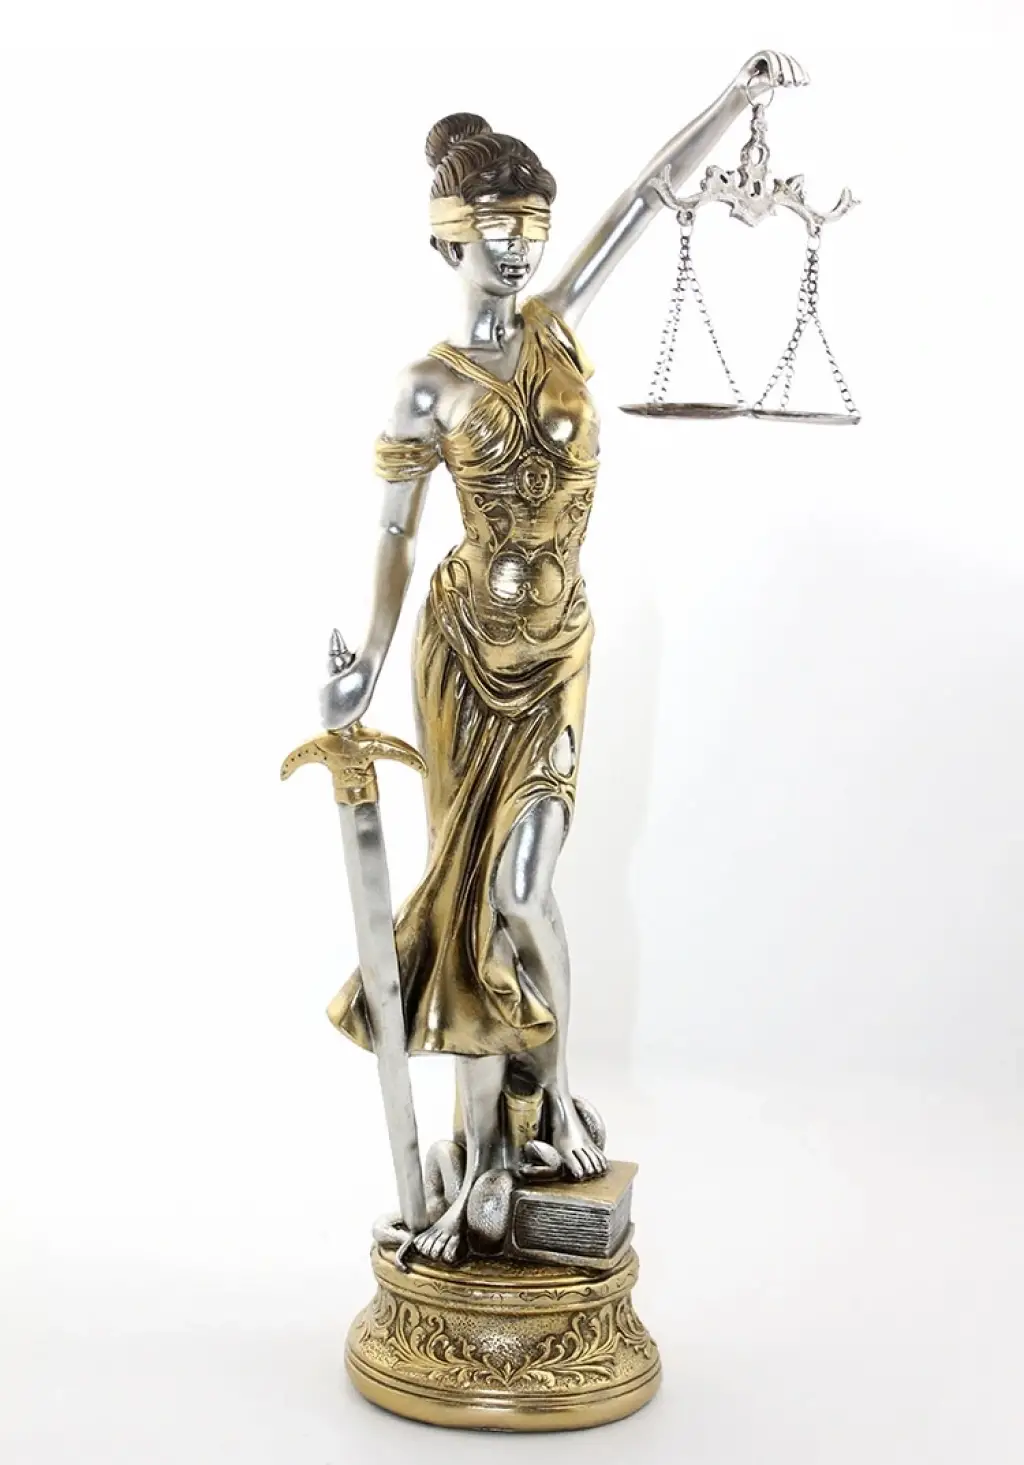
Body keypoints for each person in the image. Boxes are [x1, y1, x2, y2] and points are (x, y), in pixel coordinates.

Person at [321, 53, 807, 1263]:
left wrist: (734, 102)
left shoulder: (555, 329)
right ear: (446, 240)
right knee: (473, 895)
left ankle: (553, 1091)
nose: (519, 248)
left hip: (555, 651)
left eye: (531, 226)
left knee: (525, 882)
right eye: (496, 228)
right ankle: (490, 1141)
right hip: (462, 652)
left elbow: (643, 201)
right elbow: (394, 535)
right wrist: (364, 659)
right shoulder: (424, 388)